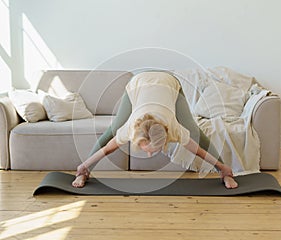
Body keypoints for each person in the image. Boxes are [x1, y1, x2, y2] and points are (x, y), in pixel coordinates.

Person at [72, 71, 238, 189]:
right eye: (149, 150)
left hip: (168, 83)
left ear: (166, 137)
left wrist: (222, 167)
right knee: (114, 129)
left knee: (194, 130)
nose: (150, 155)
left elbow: (199, 151)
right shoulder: (130, 128)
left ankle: (225, 174)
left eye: (154, 150)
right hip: (138, 84)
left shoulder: (173, 128)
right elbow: (108, 148)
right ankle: (84, 172)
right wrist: (83, 165)